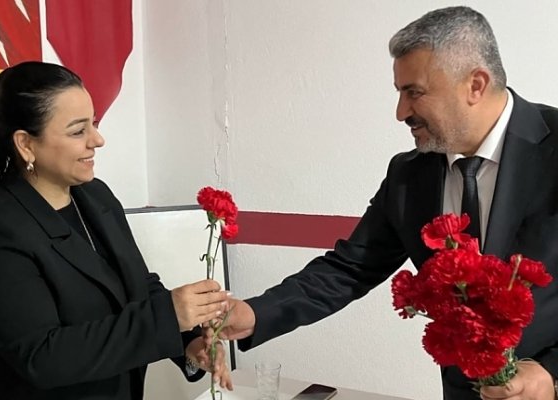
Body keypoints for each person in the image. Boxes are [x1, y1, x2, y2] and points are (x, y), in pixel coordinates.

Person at [216, 7, 558, 400]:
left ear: (475, 85)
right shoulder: (408, 175)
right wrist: (255, 313)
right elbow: (349, 268)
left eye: (414, 92)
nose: (401, 113)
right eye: (399, 93)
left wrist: (551, 372)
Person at [0, 61, 232, 400]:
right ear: (26, 144)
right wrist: (167, 317)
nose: (97, 140)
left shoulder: (96, 196)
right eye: (77, 131)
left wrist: (188, 341)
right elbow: (43, 357)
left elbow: (139, 284)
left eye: (94, 124)